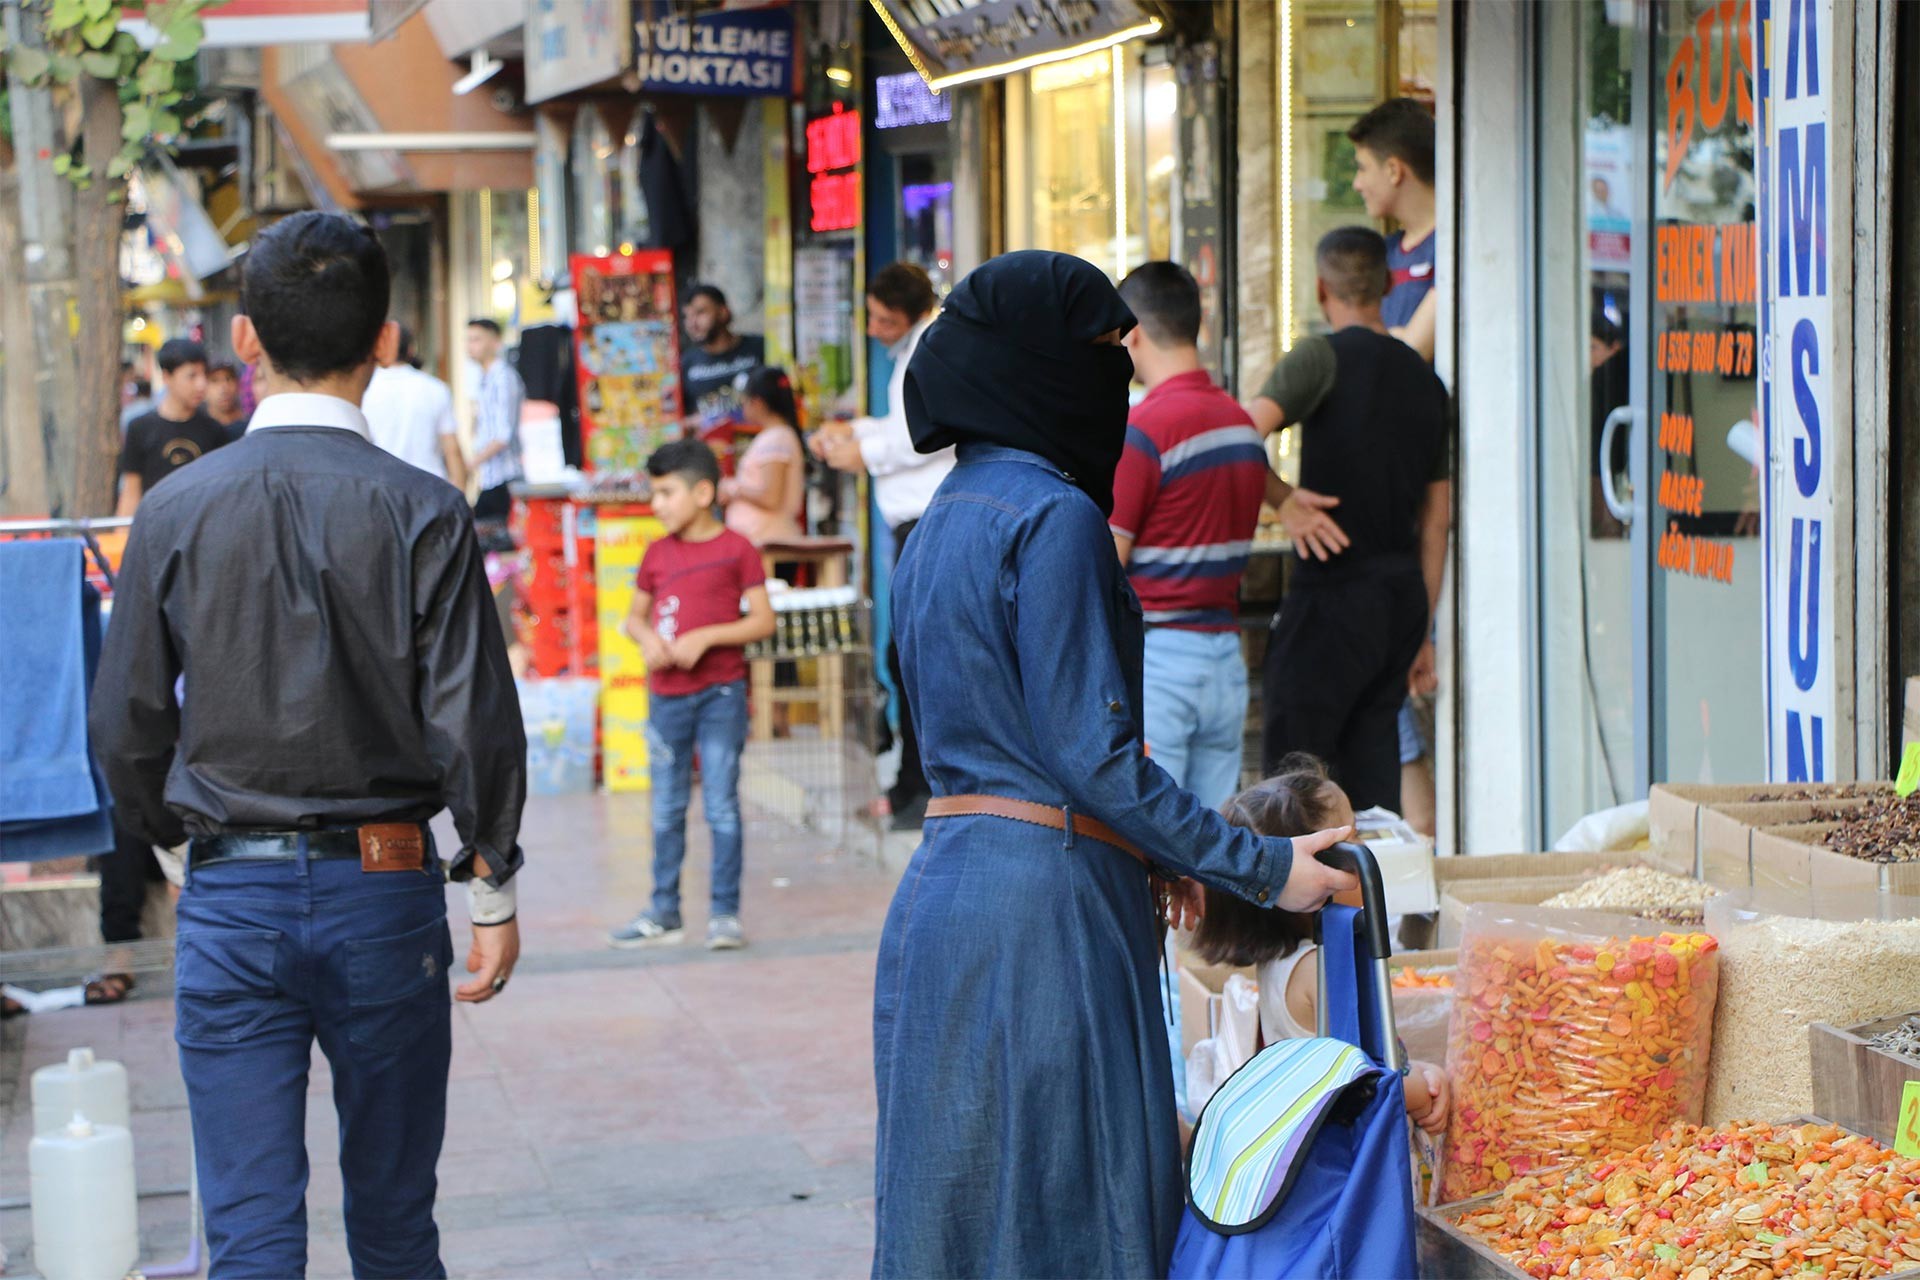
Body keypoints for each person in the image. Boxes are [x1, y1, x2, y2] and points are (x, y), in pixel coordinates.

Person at [872, 250, 1358, 1277]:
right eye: (1106, 355)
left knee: (962, 1201)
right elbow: (1090, 757)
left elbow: (970, 736)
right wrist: (1263, 865)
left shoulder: (937, 523)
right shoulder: (1054, 519)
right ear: (1043, 365)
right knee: (1076, 1196)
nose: (1123, 383)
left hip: (946, 895)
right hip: (1045, 910)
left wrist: (1146, 850)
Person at [90, 211, 526, 1279]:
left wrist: (167, 847)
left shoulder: (176, 508)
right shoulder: (426, 508)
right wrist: (492, 881)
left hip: (231, 897)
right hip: (385, 892)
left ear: (244, 340)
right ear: (386, 339)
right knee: (392, 1222)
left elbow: (126, 718)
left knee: (249, 1232)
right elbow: (473, 716)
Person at [1249, 228, 1451, 813]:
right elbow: (1436, 521)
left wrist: (1283, 499)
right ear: (1389, 285)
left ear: (1320, 289)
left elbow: (1239, 434)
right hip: (1399, 602)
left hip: (1331, 598)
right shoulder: (1427, 381)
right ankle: (1365, 901)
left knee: (1292, 784)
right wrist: (1421, 631)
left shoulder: (1321, 355)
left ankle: (1292, 906)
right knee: (1371, 781)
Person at [1185, 756, 1449, 1134]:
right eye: (1352, 838)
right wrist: (1422, 1089)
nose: (1366, 851)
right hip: (1351, 1167)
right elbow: (1352, 1091)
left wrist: (1415, 1072)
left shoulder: (1286, 960)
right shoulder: (1320, 970)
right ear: (1308, 876)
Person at [1110, 261, 1269, 810]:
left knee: (1156, 837)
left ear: (1131, 332)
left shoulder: (1144, 429)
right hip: (1226, 658)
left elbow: (1108, 563)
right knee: (1216, 841)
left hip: (1161, 662)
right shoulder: (1239, 423)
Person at [609, 440, 775, 952]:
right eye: (653, 493)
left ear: (703, 492)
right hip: (667, 697)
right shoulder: (656, 554)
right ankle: (664, 910)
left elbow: (763, 620)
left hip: (721, 694)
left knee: (721, 804)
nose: (656, 505)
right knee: (665, 808)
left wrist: (707, 637)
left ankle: (724, 912)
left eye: (665, 492)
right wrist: (648, 640)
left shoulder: (738, 550)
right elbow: (634, 617)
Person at [812, 262, 951, 830]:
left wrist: (862, 451)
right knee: (906, 657)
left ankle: (919, 790)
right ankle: (909, 785)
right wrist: (859, 433)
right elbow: (903, 425)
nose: (873, 329)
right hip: (910, 525)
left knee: (913, 659)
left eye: (882, 319)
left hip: (925, 522)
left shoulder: (932, 350)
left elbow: (924, 435)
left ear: (912, 314)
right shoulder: (917, 352)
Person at [1349, 97, 1438, 362]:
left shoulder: (1454, 247)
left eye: (1362, 168)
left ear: (1393, 170)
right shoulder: (1383, 252)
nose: (1356, 184)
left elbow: (1412, 351)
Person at [115, 339, 228, 515]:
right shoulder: (140, 428)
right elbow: (131, 491)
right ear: (167, 377)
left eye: (204, 374)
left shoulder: (214, 430)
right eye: (192, 376)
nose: (201, 384)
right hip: (155, 529)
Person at [364, 324, 469, 490]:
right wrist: (461, 495)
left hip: (382, 489)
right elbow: (452, 450)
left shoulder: (364, 389)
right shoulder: (435, 388)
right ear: (411, 350)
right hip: (430, 488)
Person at [719, 366, 806, 546]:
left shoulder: (777, 438)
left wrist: (732, 488)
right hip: (761, 540)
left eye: (744, 402)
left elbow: (771, 498)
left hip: (768, 541)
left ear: (757, 403)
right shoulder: (775, 436)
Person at [679, 284, 765, 433]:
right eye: (687, 316)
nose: (692, 323)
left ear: (723, 312)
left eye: (700, 313)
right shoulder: (686, 363)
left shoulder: (758, 348)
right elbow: (682, 418)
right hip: (713, 449)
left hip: (758, 443)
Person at [465, 317, 525, 521]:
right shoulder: (483, 378)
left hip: (505, 476)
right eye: (469, 340)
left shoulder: (503, 378)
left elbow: (503, 434)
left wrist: (471, 463)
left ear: (495, 342)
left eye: (476, 339)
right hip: (490, 476)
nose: (470, 346)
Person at [205, 360, 250, 439]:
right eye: (215, 380)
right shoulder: (201, 430)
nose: (224, 387)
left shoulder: (251, 423)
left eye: (229, 379)